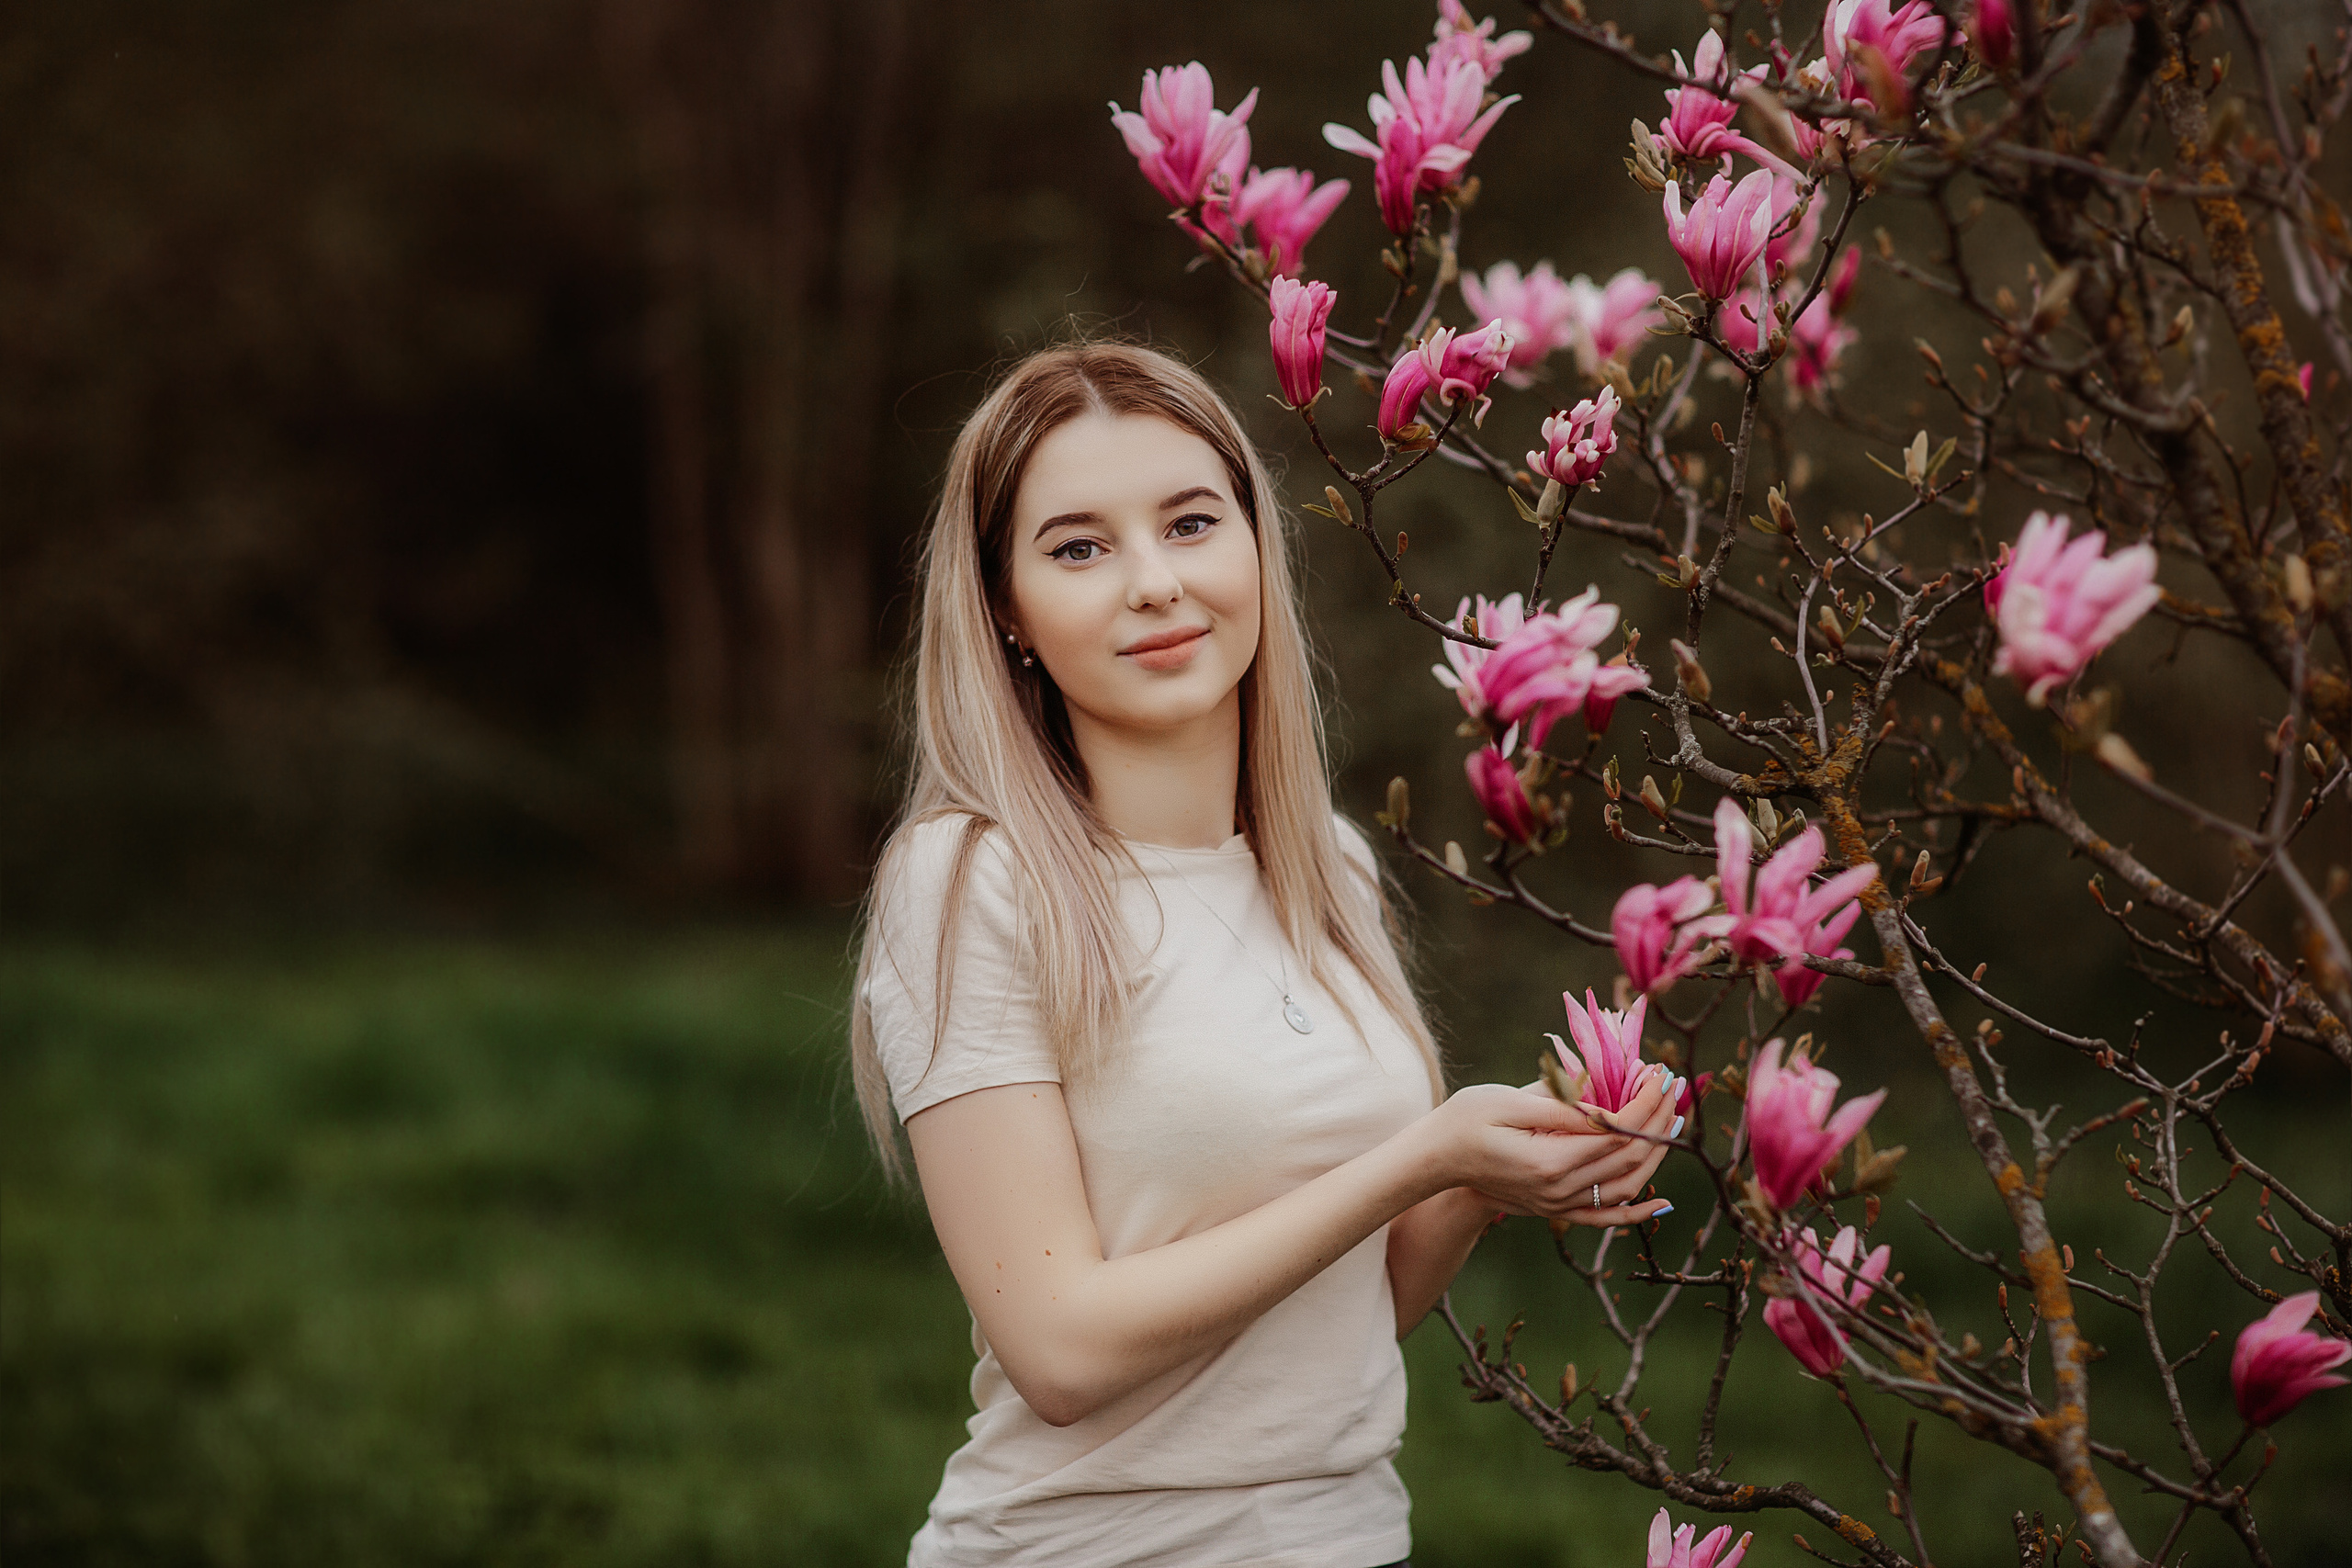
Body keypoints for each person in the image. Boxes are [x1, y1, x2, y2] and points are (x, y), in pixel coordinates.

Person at [850, 341, 1679, 1568]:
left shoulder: (1323, 867)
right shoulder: (974, 882)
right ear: (1008, 613)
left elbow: (1344, 1322)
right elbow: (1061, 1352)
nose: (1152, 583)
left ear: (1253, 547)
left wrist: (1482, 1179)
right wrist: (1423, 1155)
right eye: (1078, 547)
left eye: (1191, 523)